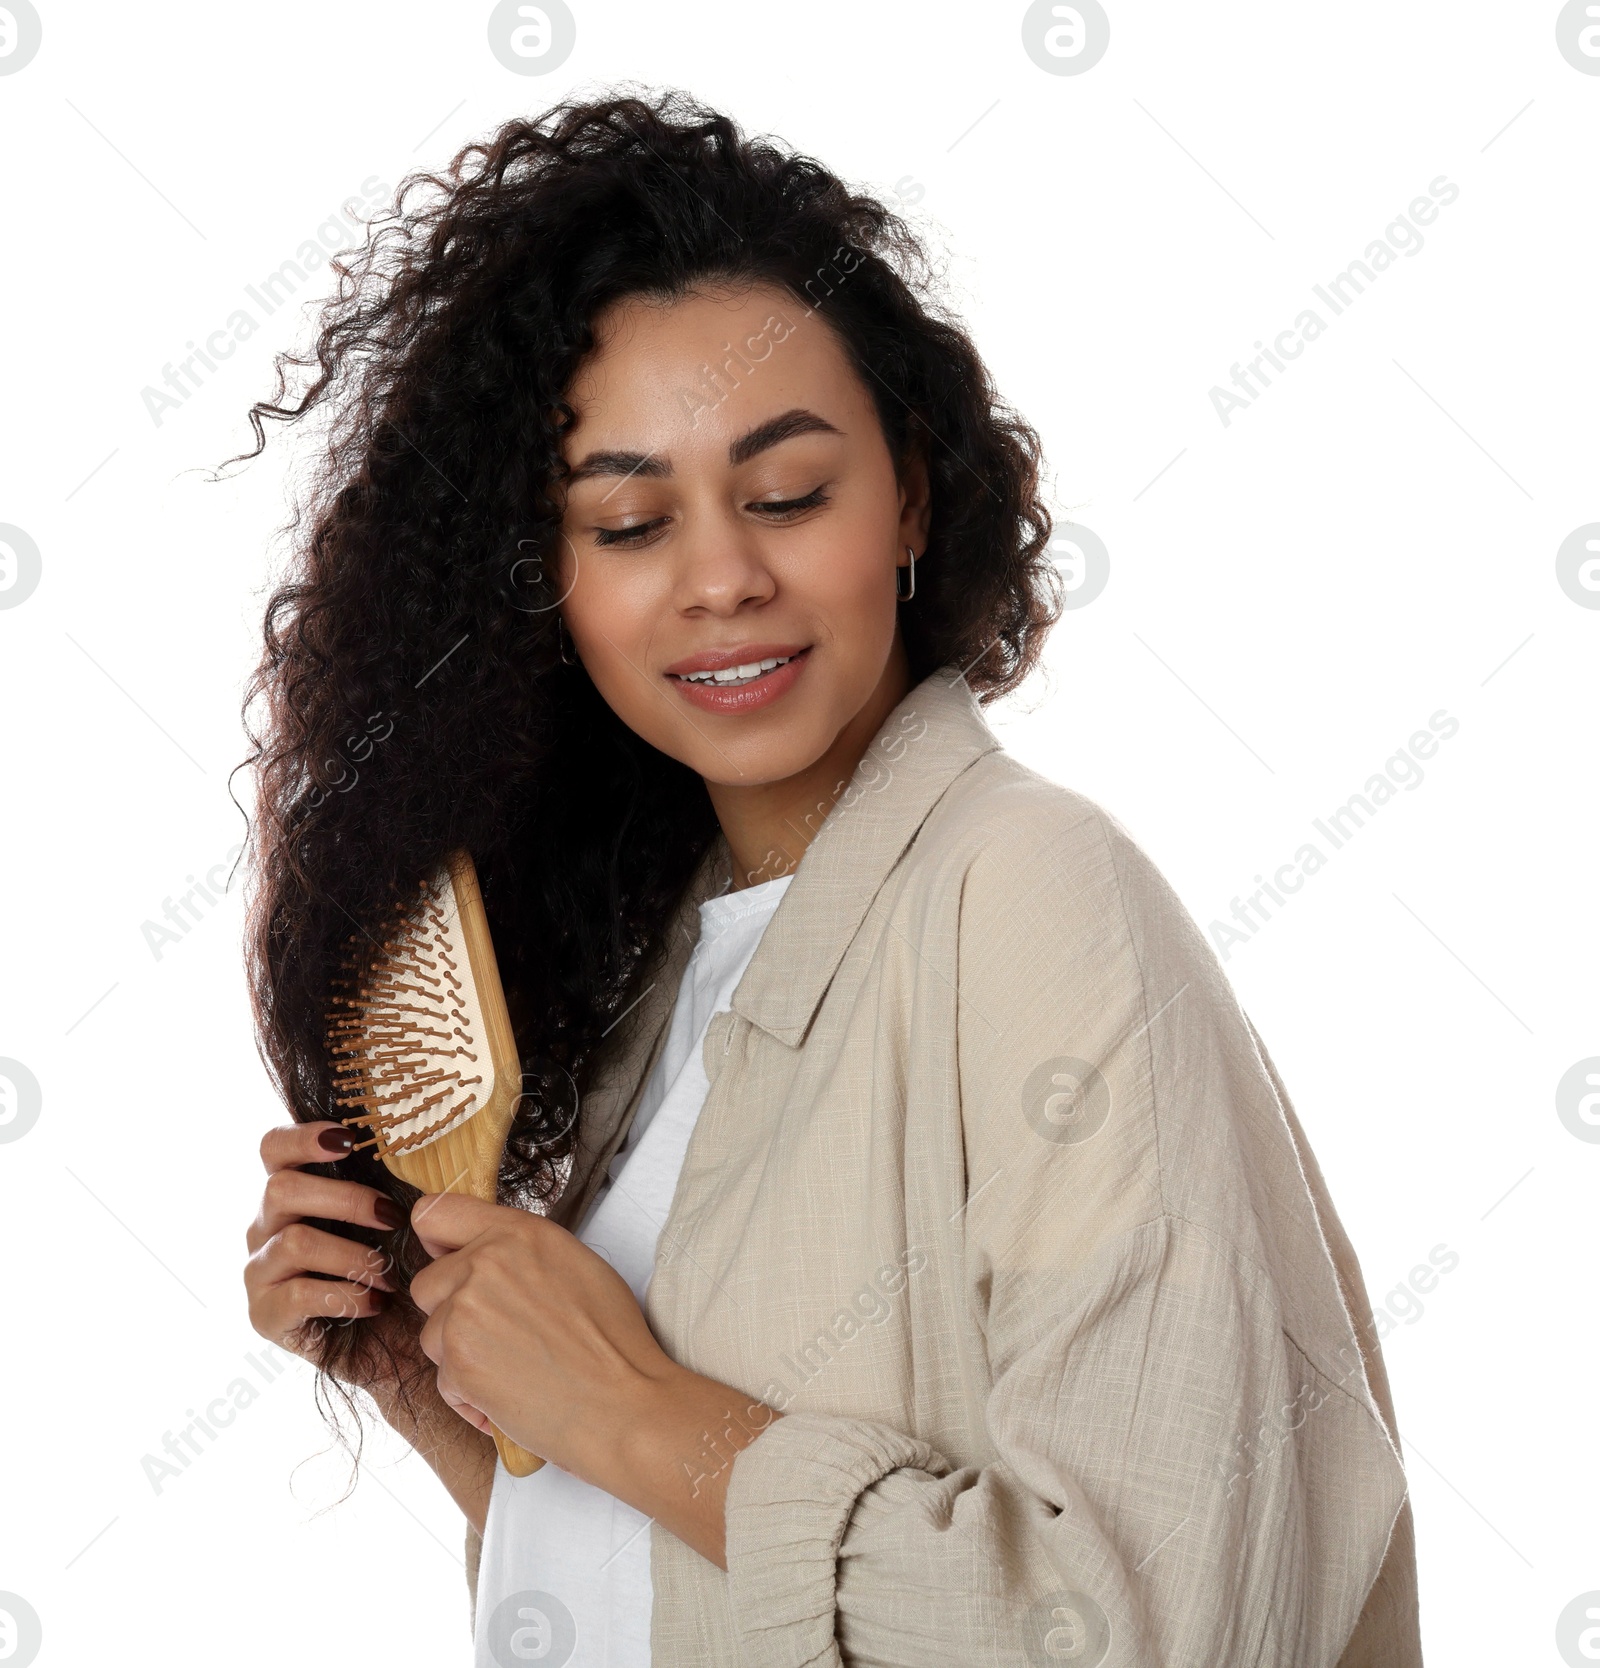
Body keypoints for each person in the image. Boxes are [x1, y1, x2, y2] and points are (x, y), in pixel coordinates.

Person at [240, 88, 1421, 1666]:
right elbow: (669, 1597)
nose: (724, 575)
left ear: (913, 498)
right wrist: (433, 1372)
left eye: (789, 494)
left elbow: (1152, 1621)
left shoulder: (1033, 898)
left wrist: (633, 1404)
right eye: (630, 520)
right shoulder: (659, 985)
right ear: (552, 585)